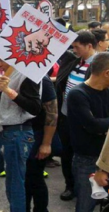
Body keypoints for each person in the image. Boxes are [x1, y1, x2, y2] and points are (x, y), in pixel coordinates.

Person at [0, 58, 41, 212]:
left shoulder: (28, 75)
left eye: (2, 60)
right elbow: (0, 98)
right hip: (2, 133)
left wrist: (9, 91)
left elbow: (35, 108)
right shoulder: (8, 74)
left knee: (14, 186)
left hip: (17, 134)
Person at [55, 30, 97, 201]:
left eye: (77, 47)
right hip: (66, 117)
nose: (74, 50)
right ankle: (70, 186)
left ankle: (89, 190)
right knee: (67, 153)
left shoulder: (100, 65)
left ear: (89, 45)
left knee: (86, 158)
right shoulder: (74, 61)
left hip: (85, 121)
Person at [66, 53, 109, 212]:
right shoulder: (78, 94)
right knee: (85, 205)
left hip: (106, 157)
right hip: (87, 160)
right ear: (107, 73)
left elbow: (99, 125)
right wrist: (101, 128)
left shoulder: (106, 91)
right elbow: (93, 125)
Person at [25, 75, 58, 212]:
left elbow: (52, 113)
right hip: (19, 136)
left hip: (37, 136)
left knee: (35, 178)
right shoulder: (11, 75)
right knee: (23, 181)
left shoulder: (41, 79)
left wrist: (46, 143)